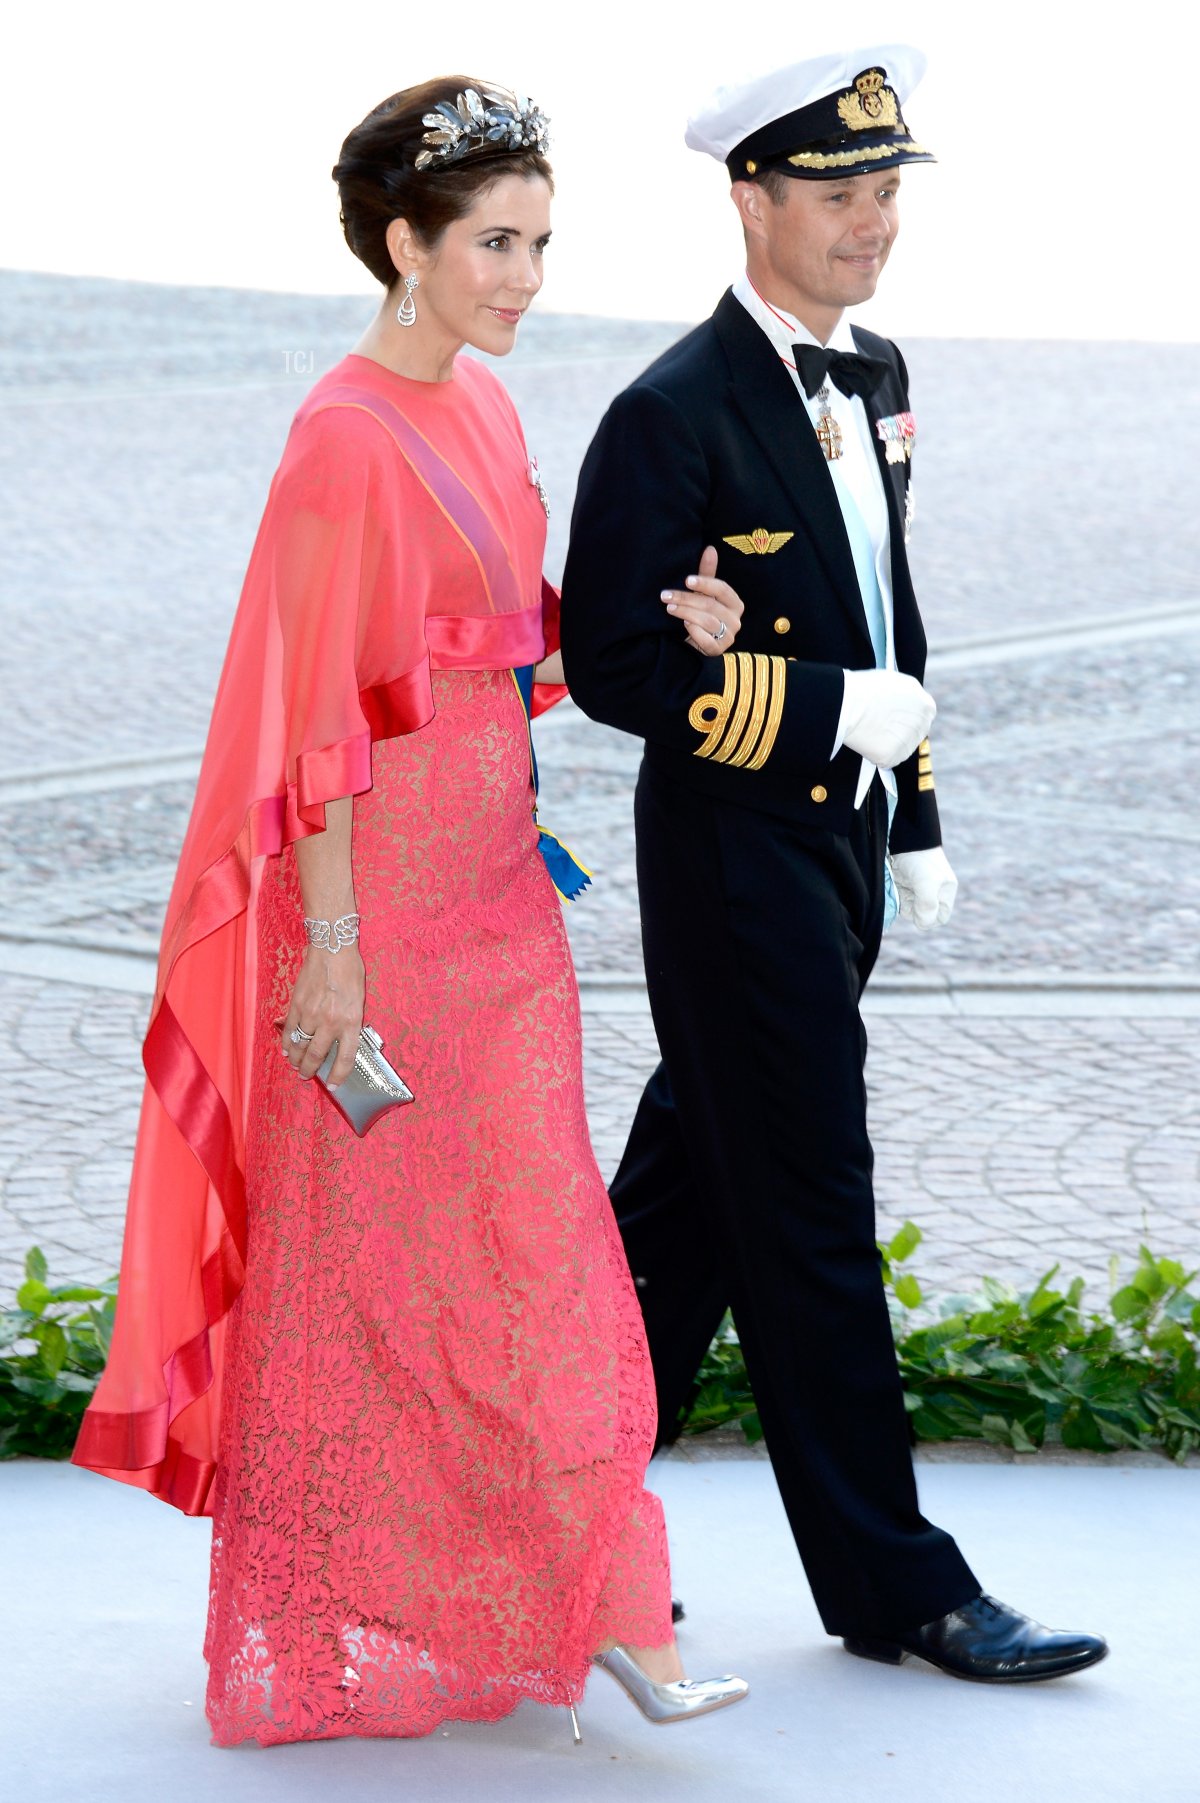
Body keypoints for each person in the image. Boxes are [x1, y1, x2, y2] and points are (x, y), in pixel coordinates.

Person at [72, 77, 750, 1746]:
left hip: (504, 905)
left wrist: (691, 631)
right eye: (495, 245)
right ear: (405, 247)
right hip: (377, 925)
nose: (525, 277)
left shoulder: (485, 415)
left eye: (538, 244)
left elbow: (519, 648)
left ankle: (574, 1591)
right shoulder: (344, 437)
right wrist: (339, 957)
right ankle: (461, 1611)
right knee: (370, 1283)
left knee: (529, 1264)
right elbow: (319, 729)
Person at [560, 46, 1108, 1682]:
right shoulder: (668, 414)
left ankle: (543, 1518)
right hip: (736, 862)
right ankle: (900, 1586)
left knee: (686, 1213)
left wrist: (914, 808)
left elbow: (889, 603)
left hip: (844, 849)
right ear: (750, 197)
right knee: (807, 1209)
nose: (872, 223)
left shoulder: (876, 372)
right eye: (836, 193)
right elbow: (614, 666)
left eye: (885, 191)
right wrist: (821, 714)